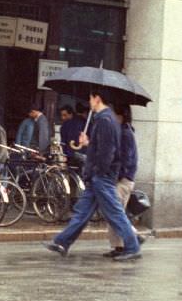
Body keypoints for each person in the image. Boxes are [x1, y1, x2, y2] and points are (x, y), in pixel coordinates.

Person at [45, 88, 141, 261]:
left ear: (97, 99)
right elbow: (101, 148)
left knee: (114, 212)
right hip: (98, 176)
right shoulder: (105, 119)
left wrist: (99, 172)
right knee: (82, 212)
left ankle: (132, 246)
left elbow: (107, 152)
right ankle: (62, 242)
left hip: (101, 176)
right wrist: (88, 143)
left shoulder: (105, 120)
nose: (89, 102)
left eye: (90, 98)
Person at [103, 103, 143, 257]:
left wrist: (118, 176)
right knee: (113, 212)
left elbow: (126, 160)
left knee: (115, 213)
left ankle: (133, 239)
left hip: (123, 180)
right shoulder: (120, 132)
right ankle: (118, 246)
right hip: (118, 178)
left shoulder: (125, 134)